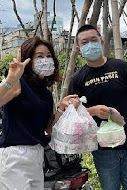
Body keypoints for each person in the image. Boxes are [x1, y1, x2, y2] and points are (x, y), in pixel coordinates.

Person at [68, 24, 127, 190]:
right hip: (103, 148)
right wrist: (93, 111)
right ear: (78, 48)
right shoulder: (78, 79)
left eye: (93, 39)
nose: (90, 44)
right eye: (84, 42)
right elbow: (72, 114)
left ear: (102, 41)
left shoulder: (120, 67)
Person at [0, 36, 80, 190]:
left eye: (49, 56)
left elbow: (48, 129)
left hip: (37, 154)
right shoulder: (18, 83)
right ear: (28, 60)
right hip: (15, 156)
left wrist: (61, 108)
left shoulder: (45, 93)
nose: (46, 60)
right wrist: (10, 79)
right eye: (40, 56)